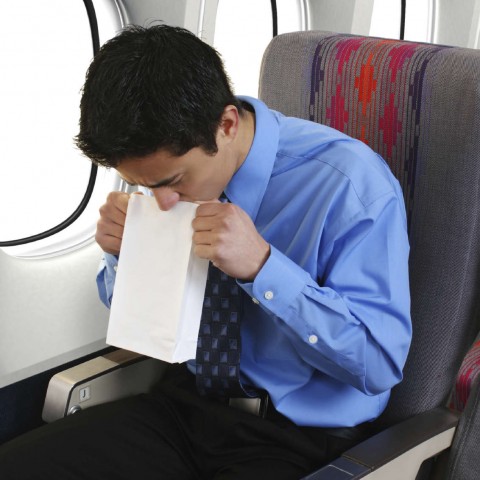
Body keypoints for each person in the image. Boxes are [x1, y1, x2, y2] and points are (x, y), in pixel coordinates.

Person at [0, 24, 411, 479]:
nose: (159, 202)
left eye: (171, 183)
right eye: (140, 185)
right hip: (183, 406)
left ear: (227, 124)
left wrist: (263, 268)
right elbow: (145, 320)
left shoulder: (350, 185)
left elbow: (379, 365)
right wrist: (123, 258)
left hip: (297, 437)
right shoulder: (163, 172)